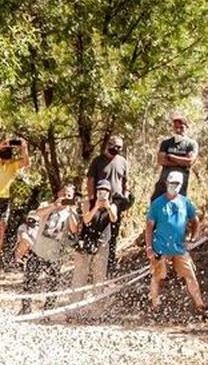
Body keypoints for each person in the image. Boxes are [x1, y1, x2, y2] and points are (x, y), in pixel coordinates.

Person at [145, 170, 208, 319]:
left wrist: (193, 238)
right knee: (158, 276)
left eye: (176, 184)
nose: (173, 186)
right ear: (166, 183)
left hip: (179, 248)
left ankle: (200, 305)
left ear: (181, 185)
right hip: (160, 248)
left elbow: (195, 220)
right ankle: (155, 308)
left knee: (190, 275)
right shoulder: (157, 204)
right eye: (171, 183)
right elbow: (149, 227)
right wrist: (149, 248)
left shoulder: (185, 202)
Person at [18, 183, 78, 315]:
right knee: (29, 282)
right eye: (63, 194)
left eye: (69, 196)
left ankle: (48, 311)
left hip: (55, 255)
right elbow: (36, 215)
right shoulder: (47, 205)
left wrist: (72, 210)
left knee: (53, 285)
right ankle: (26, 308)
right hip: (38, 250)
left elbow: (74, 229)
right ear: (57, 194)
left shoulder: (70, 213)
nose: (65, 197)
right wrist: (54, 206)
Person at [68, 179, 120, 314]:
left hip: (102, 245)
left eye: (105, 191)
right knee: (79, 276)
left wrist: (107, 207)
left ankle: (97, 311)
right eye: (100, 190)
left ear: (109, 193)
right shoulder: (87, 203)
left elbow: (114, 219)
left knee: (99, 278)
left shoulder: (113, 206)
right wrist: (96, 206)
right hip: (85, 244)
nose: (102, 194)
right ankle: (74, 309)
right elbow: (86, 220)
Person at [85, 134, 132, 272]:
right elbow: (90, 181)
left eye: (119, 147)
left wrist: (126, 198)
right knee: (95, 233)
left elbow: (126, 182)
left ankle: (109, 265)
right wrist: (92, 199)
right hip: (98, 204)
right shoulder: (98, 161)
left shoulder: (123, 162)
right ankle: (90, 266)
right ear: (108, 144)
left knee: (113, 233)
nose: (116, 149)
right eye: (114, 146)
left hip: (115, 203)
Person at [152, 114, 199, 200]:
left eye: (181, 127)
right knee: (156, 199)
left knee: (178, 201)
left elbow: (189, 161)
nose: (178, 130)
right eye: (176, 127)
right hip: (165, 177)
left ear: (186, 127)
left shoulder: (191, 144)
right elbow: (161, 160)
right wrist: (181, 162)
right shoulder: (166, 143)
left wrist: (170, 156)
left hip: (181, 178)